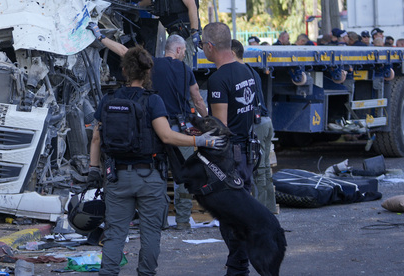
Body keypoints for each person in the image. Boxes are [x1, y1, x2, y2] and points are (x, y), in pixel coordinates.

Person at [89, 46, 225, 276]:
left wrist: (93, 168)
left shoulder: (108, 99)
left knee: (115, 232)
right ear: (147, 73)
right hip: (149, 177)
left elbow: (95, 137)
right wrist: (200, 140)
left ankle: (108, 272)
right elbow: (166, 136)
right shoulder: (153, 101)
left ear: (124, 71)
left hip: (116, 177)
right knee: (150, 232)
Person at [90, 27, 206, 229]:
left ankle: (160, 220)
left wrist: (100, 36)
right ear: (179, 50)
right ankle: (182, 221)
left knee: (158, 173)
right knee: (184, 175)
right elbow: (197, 99)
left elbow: (124, 52)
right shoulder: (186, 69)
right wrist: (208, 122)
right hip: (179, 129)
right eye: (184, 52)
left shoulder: (151, 64)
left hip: (154, 128)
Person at [202, 23, 260, 275]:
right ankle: (238, 265)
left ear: (209, 46)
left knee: (229, 214)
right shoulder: (246, 71)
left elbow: (221, 127)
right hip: (246, 151)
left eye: (202, 44)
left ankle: (238, 267)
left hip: (230, 156)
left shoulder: (218, 79)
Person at [232, 39, 277, 215]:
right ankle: (269, 209)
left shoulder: (240, 73)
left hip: (257, 125)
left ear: (233, 53)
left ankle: (259, 212)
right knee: (264, 168)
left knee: (257, 169)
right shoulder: (251, 70)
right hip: (265, 121)